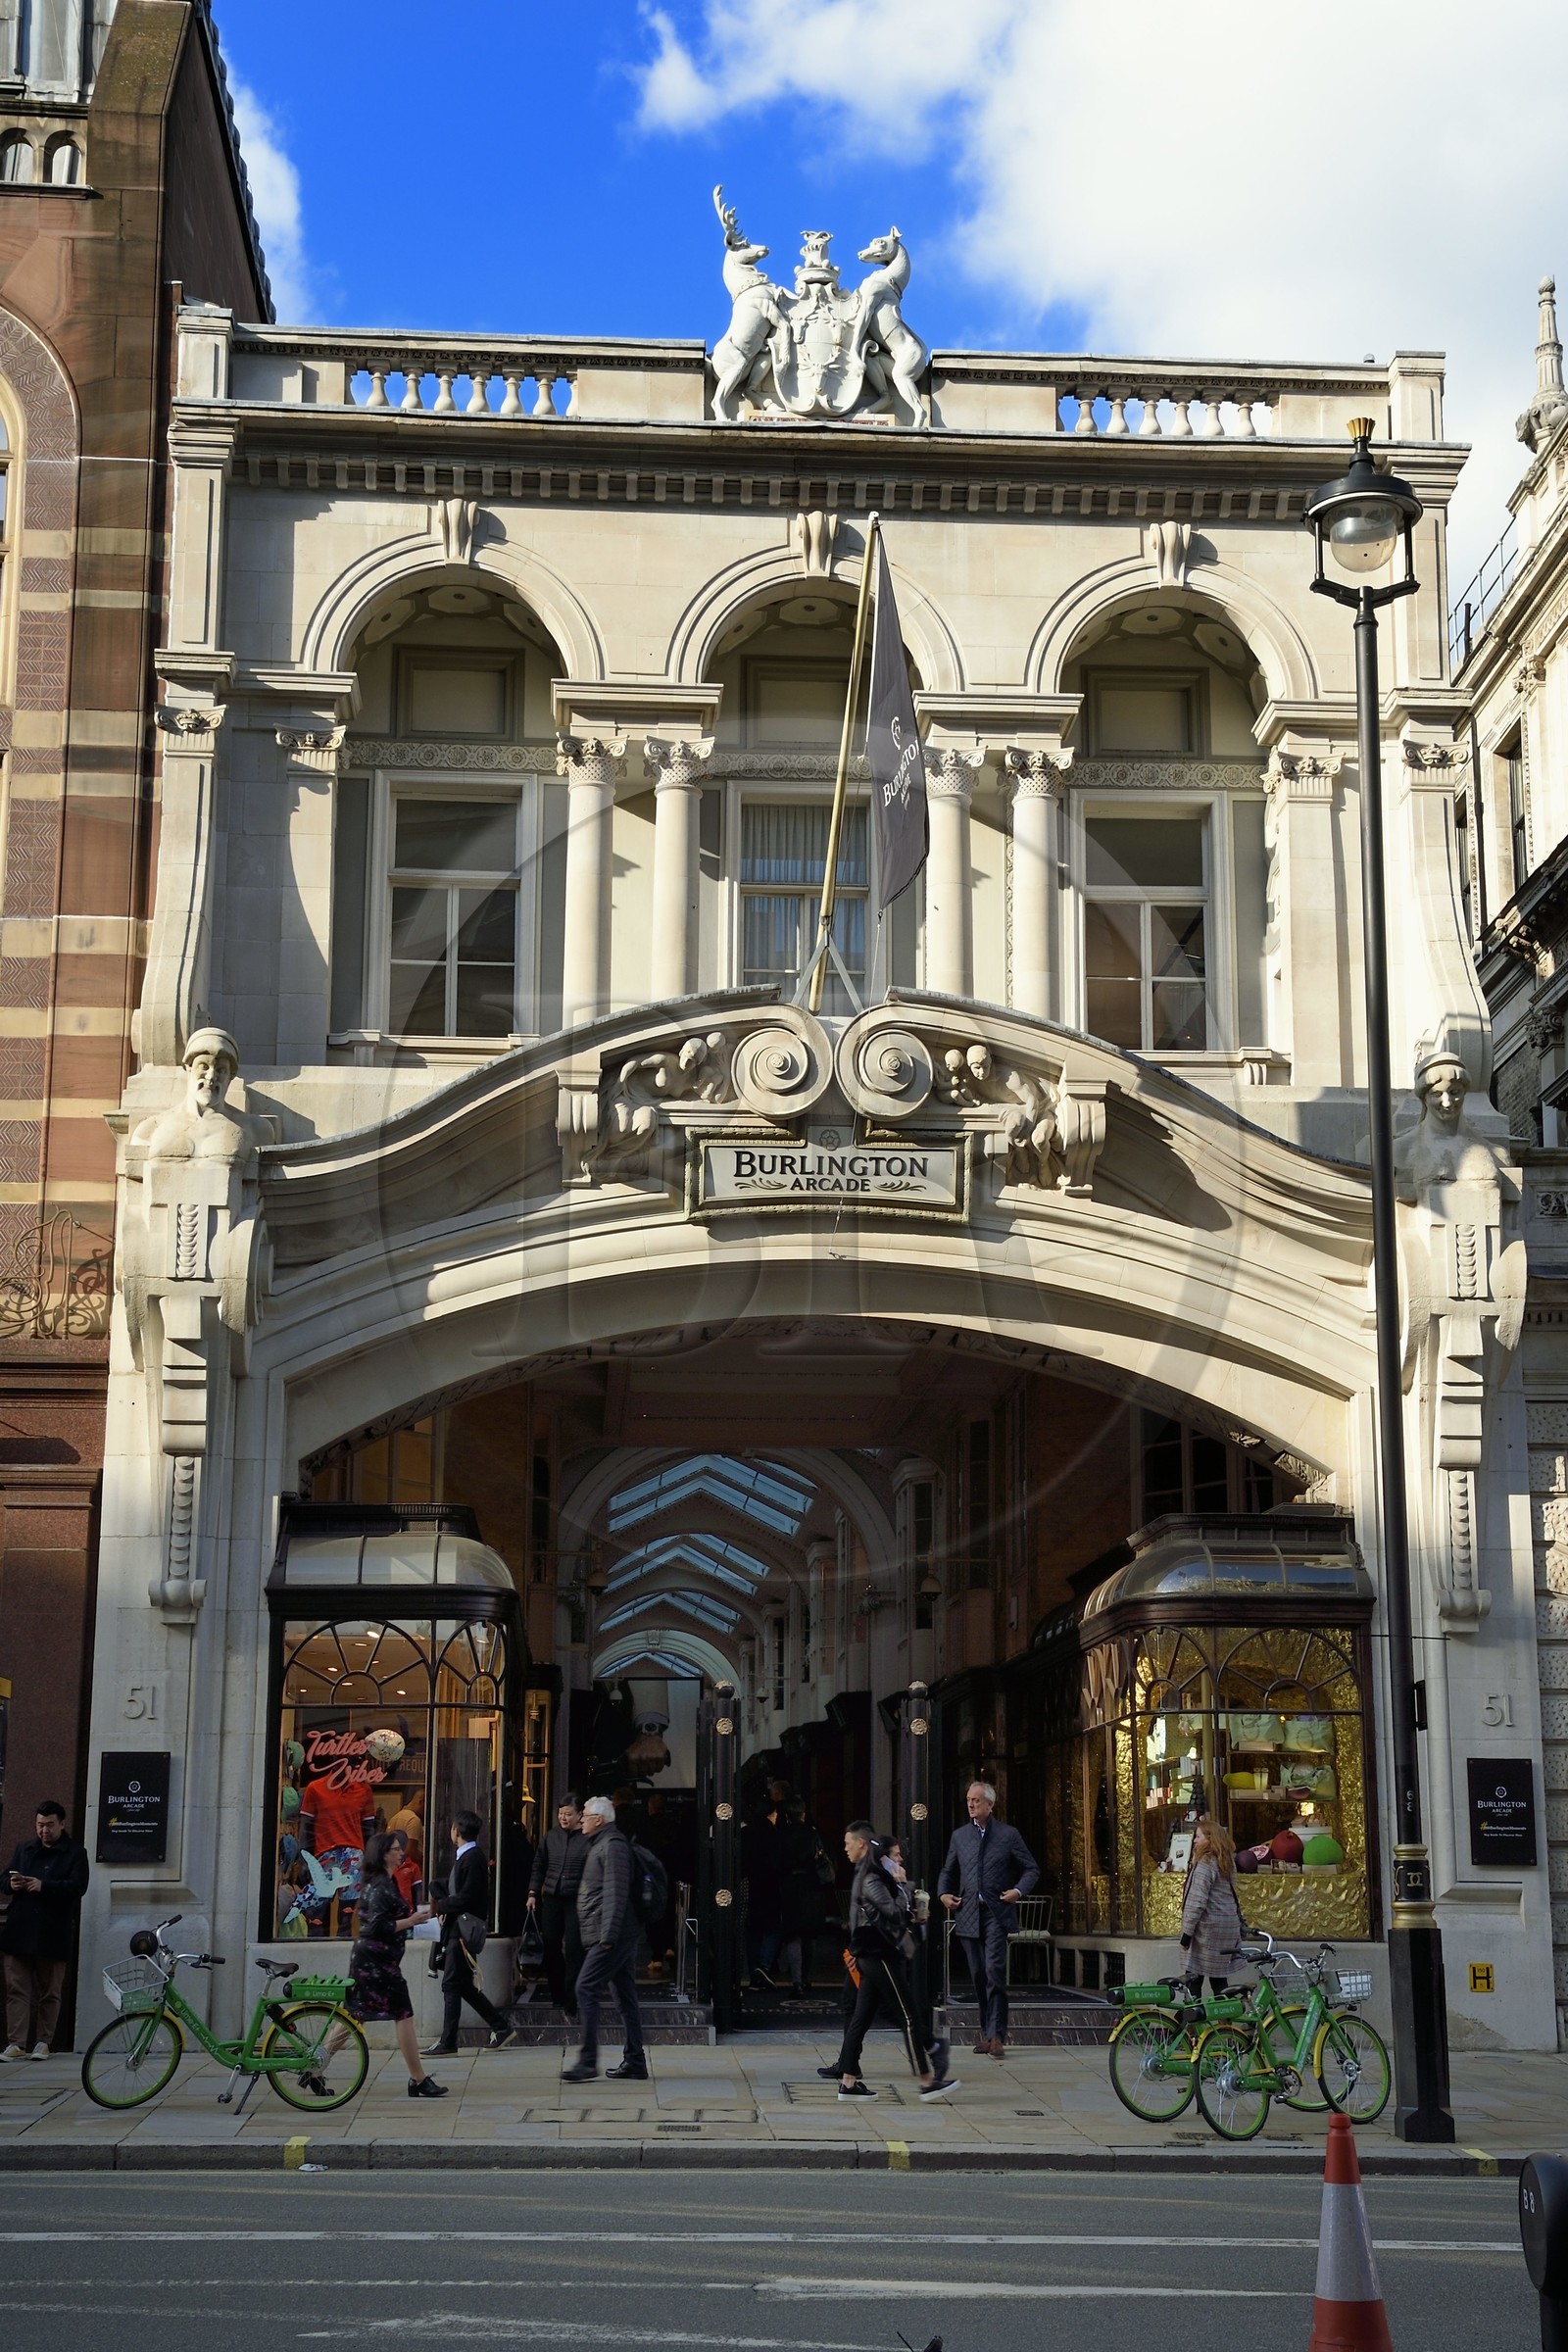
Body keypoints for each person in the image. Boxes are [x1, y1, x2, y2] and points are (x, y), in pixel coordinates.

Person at [829, 1822, 956, 2103]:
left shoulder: (874, 1876)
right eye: (896, 1855)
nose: (900, 1860)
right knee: (908, 2016)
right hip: (878, 1954)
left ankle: (848, 2084)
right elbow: (894, 1914)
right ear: (882, 1856)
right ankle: (926, 2081)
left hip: (874, 1953)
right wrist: (900, 1885)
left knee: (861, 2019)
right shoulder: (874, 1878)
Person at [333, 1831, 447, 2099]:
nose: (401, 1853)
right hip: (377, 1961)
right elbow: (377, 1926)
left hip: (373, 1959)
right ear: (384, 1854)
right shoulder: (382, 1885)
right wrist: (413, 1921)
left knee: (354, 2012)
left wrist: (418, 1919)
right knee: (403, 2013)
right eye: (396, 1849)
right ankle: (418, 2079)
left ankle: (316, 2066)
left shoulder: (382, 1881)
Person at [937, 1779, 1039, 2058]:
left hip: (996, 1912)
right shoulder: (960, 1836)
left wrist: (1018, 1891)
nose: (971, 1804)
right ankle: (986, 2033)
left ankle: (996, 2037)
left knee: (994, 1972)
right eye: (969, 1800)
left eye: (977, 1800)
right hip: (968, 1914)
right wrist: (943, 1894)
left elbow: (1031, 1869)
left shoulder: (1008, 1835)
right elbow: (948, 1870)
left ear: (990, 1805)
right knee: (979, 1975)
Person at [562, 1793, 647, 2084]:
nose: (581, 1818)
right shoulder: (602, 1843)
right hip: (611, 1932)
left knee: (585, 1987)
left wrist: (607, 1937)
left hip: (612, 1934)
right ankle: (635, 2061)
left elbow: (615, 1892)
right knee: (625, 1996)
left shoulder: (612, 1846)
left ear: (598, 1820)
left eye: (584, 1814)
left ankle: (587, 2061)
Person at [1, 1799, 89, 2060]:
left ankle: (43, 2042)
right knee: (16, 1989)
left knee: (50, 1991)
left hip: (53, 1930)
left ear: (62, 1824)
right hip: (20, 1929)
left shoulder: (74, 1853)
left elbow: (78, 1886)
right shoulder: (24, 1849)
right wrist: (13, 1883)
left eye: (50, 1825)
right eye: (40, 1825)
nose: (44, 1830)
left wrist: (45, 1886)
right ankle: (16, 2043)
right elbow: (3, 1878)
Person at [426, 1810, 515, 2056]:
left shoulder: (473, 1857)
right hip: (458, 1929)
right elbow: (457, 1888)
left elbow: (467, 1896)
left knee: (451, 1984)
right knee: (462, 1985)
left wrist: (441, 1905)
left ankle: (448, 2041)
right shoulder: (466, 1857)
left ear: (456, 1831)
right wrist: (438, 1888)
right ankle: (501, 2026)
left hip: (463, 1932)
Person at [527, 1795, 586, 2015]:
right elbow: (538, 1865)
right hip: (552, 1897)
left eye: (568, 1814)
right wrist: (533, 1892)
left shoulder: (587, 1838)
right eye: (561, 1813)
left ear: (579, 1815)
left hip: (576, 1899)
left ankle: (572, 1999)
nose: (563, 1817)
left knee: (574, 1950)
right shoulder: (550, 1837)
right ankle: (557, 1995)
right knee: (551, 1947)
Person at [1180, 1816, 1245, 1996]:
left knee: (1193, 1977)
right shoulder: (1226, 1862)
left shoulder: (1205, 1863)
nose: (1195, 1840)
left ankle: (1192, 2019)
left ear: (1209, 1838)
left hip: (1206, 1931)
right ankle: (1226, 2019)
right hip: (1226, 1926)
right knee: (1219, 1979)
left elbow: (1197, 1902)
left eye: (1198, 1836)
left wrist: (1186, 1933)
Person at [386, 1827, 423, 1913]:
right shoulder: (384, 1866)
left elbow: (418, 1892)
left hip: (407, 1913)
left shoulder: (413, 1867)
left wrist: (419, 1913)